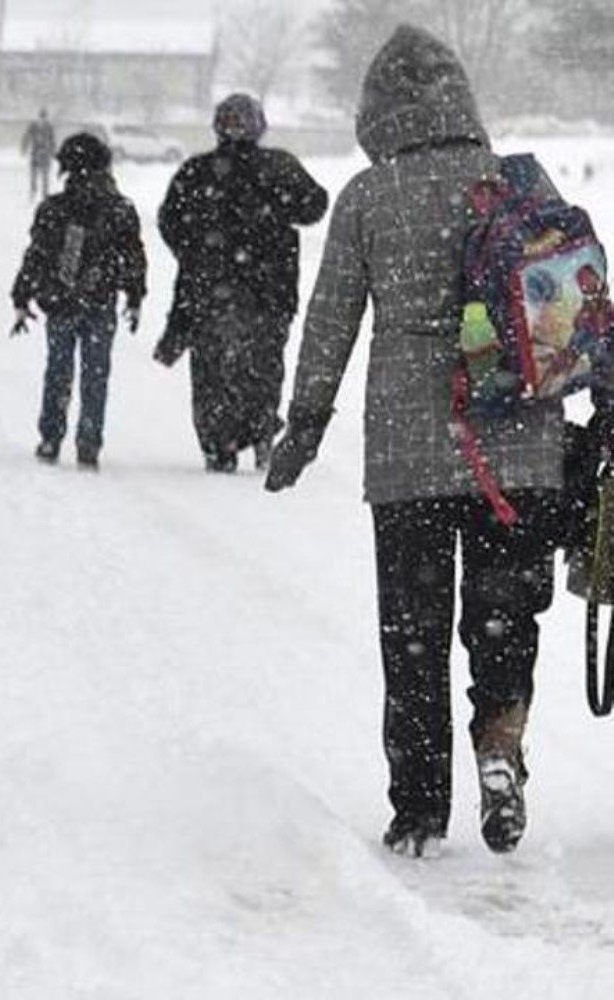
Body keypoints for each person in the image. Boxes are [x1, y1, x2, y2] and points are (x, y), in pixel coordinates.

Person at [265, 25, 566, 858]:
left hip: (409, 455)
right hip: (521, 446)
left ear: (377, 111)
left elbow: (329, 323)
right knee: (503, 618)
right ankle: (501, 746)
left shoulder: (369, 195)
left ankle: (419, 809)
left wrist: (304, 425)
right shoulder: (512, 185)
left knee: (414, 632)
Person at [156, 93, 329, 473]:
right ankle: (260, 430)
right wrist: (276, 209)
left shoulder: (197, 172)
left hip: (211, 290)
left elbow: (170, 221)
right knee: (262, 367)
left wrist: (196, 252)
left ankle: (221, 443)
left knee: (213, 372)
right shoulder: (278, 166)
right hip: (269, 290)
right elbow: (315, 205)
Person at [10, 133, 146, 471]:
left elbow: (37, 256)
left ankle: (51, 436)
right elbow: (133, 257)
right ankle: (88, 441)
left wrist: (22, 294)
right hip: (101, 302)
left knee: (58, 370)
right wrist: (134, 295)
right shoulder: (120, 209)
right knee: (95, 374)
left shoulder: (54, 208)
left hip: (60, 301)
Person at [22, 108, 56, 203]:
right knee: (34, 174)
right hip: (36, 152)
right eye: (42, 116)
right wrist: (24, 147)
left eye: (44, 116)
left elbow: (52, 139)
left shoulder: (49, 126)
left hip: (44, 153)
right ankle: (34, 191)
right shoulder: (33, 125)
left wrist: (53, 151)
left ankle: (43, 193)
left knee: (44, 175)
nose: (42, 119)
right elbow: (27, 136)